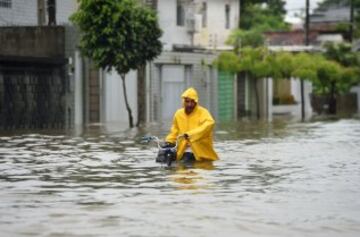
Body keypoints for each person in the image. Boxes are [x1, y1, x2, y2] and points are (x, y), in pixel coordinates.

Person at [165, 87, 218, 163]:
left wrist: (190, 134)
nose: (189, 104)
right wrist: (169, 142)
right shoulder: (178, 114)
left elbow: (209, 124)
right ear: (184, 102)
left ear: (196, 102)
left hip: (201, 153)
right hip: (182, 151)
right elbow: (174, 131)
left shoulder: (203, 113)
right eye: (187, 102)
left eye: (192, 102)